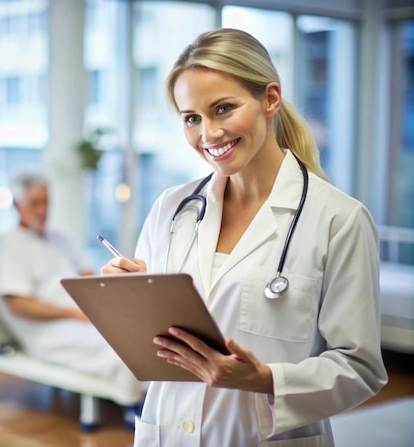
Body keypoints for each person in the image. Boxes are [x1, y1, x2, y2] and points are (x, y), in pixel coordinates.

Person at [101, 28, 388, 446]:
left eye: (223, 109)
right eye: (191, 118)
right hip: (168, 429)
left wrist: (265, 380)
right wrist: (126, 301)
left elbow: (360, 368)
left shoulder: (338, 220)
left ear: (270, 99)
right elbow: (156, 344)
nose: (209, 134)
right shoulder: (172, 208)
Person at [0, 171, 144, 428]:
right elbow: (17, 305)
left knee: (137, 329)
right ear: (17, 206)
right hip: (48, 330)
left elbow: (88, 274)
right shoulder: (11, 247)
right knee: (120, 345)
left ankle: (154, 395)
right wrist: (74, 314)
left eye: (46, 202)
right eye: (35, 203)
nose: (43, 210)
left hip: (83, 316)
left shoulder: (60, 239)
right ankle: (135, 406)